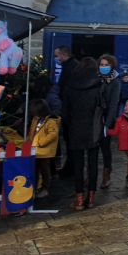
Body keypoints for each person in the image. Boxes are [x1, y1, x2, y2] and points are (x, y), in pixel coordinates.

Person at [63, 57, 103, 210]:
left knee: (78, 165)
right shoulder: (99, 84)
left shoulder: (70, 83)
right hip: (93, 127)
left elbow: (64, 110)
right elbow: (102, 107)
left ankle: (79, 198)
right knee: (93, 163)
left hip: (75, 126)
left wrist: (70, 123)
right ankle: (91, 197)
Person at [28, 99, 60, 199]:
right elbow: (33, 131)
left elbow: (53, 134)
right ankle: (36, 187)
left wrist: (40, 143)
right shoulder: (36, 120)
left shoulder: (51, 121)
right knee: (36, 170)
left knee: (45, 170)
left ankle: (45, 188)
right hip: (36, 149)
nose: (35, 116)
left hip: (44, 151)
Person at [54, 46, 78, 176]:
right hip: (67, 108)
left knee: (71, 140)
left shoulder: (73, 67)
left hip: (71, 110)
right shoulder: (67, 66)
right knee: (68, 140)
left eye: (57, 56)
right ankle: (70, 166)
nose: (56, 59)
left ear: (64, 55)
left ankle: (71, 167)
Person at [98, 54, 121, 190]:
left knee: (105, 148)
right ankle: (90, 175)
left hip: (107, 116)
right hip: (96, 116)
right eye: (102, 65)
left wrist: (108, 124)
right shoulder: (96, 78)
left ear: (112, 66)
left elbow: (114, 104)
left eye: (106, 65)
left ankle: (107, 175)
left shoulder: (115, 81)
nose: (103, 67)